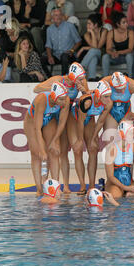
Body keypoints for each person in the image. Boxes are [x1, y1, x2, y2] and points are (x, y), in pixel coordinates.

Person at [34, 62, 89, 193]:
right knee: (58, 151)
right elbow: (36, 89)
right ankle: (57, 185)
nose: (82, 80)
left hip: (67, 113)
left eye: (82, 78)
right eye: (80, 78)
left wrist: (83, 90)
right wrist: (54, 89)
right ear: (72, 76)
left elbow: (88, 99)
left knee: (72, 149)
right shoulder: (59, 80)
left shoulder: (81, 81)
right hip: (55, 114)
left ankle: (73, 185)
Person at [23, 82, 70, 196]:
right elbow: (37, 128)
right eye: (61, 100)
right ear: (54, 97)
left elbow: (61, 124)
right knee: (37, 153)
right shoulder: (42, 100)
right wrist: (42, 150)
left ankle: (55, 186)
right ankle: (39, 189)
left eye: (65, 99)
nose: (64, 102)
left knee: (54, 151)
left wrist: (54, 141)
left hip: (49, 119)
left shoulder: (66, 100)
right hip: (32, 121)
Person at [75, 80, 113, 191]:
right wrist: (80, 139)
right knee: (77, 149)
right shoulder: (86, 101)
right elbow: (80, 122)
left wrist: (93, 138)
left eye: (109, 96)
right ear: (98, 95)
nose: (108, 99)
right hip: (75, 118)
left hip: (89, 118)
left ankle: (91, 185)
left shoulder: (108, 103)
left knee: (93, 148)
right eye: (106, 96)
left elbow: (100, 122)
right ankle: (82, 185)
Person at [100, 71, 134, 138]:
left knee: (128, 138)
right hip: (111, 111)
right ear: (113, 86)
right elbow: (97, 96)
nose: (122, 91)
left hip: (126, 112)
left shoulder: (132, 84)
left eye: (124, 88)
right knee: (109, 138)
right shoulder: (106, 82)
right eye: (119, 90)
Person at [41, 8, 82, 77]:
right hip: (56, 55)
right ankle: (49, 78)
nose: (58, 17)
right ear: (52, 17)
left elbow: (78, 41)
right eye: (56, 15)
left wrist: (72, 50)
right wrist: (49, 56)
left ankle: (64, 78)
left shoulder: (70, 26)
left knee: (64, 56)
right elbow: (48, 45)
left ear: (62, 16)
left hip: (69, 55)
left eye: (60, 15)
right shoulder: (49, 29)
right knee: (41, 60)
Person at [102, 11, 134, 78]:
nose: (126, 24)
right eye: (124, 22)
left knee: (129, 56)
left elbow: (130, 49)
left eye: (126, 22)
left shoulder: (130, 32)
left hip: (129, 55)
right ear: (118, 24)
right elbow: (108, 49)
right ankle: (106, 79)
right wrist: (112, 53)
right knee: (105, 57)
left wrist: (118, 52)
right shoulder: (111, 32)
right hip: (118, 56)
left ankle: (131, 78)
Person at [76, 13, 107, 81]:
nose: (87, 25)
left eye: (89, 23)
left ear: (95, 25)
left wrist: (83, 48)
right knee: (93, 58)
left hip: (103, 55)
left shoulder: (104, 31)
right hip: (94, 55)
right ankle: (91, 79)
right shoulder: (87, 34)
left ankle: (79, 69)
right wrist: (92, 33)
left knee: (94, 51)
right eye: (87, 23)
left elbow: (98, 47)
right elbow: (94, 47)